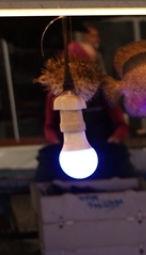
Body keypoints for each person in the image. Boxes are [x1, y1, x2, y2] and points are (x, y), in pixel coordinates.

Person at [35, 32, 133, 182]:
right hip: (69, 155)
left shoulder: (103, 92)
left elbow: (120, 124)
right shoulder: (54, 95)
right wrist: (54, 141)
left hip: (102, 152)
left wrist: (116, 138)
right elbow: (49, 126)